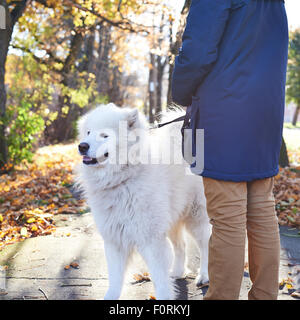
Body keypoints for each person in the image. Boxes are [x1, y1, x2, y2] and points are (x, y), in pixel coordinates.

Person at [171, 0, 289, 300]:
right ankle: (264, 295)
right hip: (266, 110)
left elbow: (196, 53)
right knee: (262, 208)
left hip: (226, 109)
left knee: (227, 218)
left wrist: (180, 92)